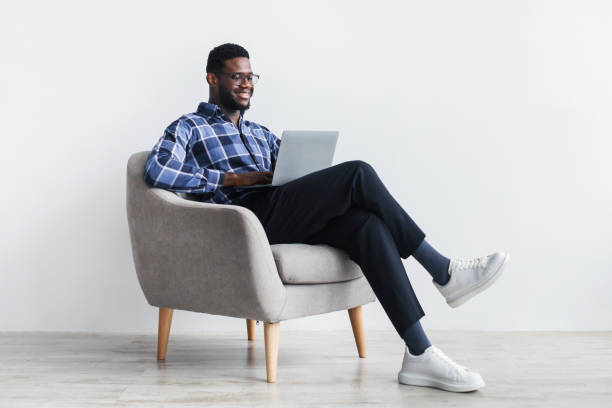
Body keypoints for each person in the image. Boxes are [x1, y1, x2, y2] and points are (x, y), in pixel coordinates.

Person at [144, 43, 510, 393]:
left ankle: (419, 353)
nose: (246, 84)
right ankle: (443, 271)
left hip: (283, 209)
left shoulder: (260, 133)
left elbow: (294, 177)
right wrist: (233, 178)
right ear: (212, 79)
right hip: (246, 219)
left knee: (367, 225)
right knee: (357, 174)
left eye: (251, 77)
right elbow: (156, 170)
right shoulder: (190, 127)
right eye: (237, 77)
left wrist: (306, 180)